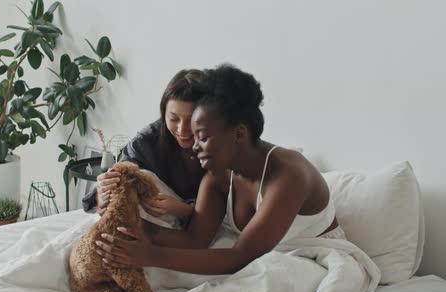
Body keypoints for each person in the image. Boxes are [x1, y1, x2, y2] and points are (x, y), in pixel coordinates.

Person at [95, 64, 345, 275]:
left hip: (315, 259)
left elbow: (239, 257)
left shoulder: (289, 175)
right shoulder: (218, 176)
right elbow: (195, 240)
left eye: (201, 136)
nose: (193, 146)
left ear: (239, 133)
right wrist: (133, 227)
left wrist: (150, 255)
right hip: (261, 259)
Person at [82, 69, 207, 221]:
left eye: (192, 120)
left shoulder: (222, 145)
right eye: (174, 119)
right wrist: (102, 195)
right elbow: (121, 178)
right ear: (164, 114)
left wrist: (183, 209)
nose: (182, 130)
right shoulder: (147, 141)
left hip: (200, 224)